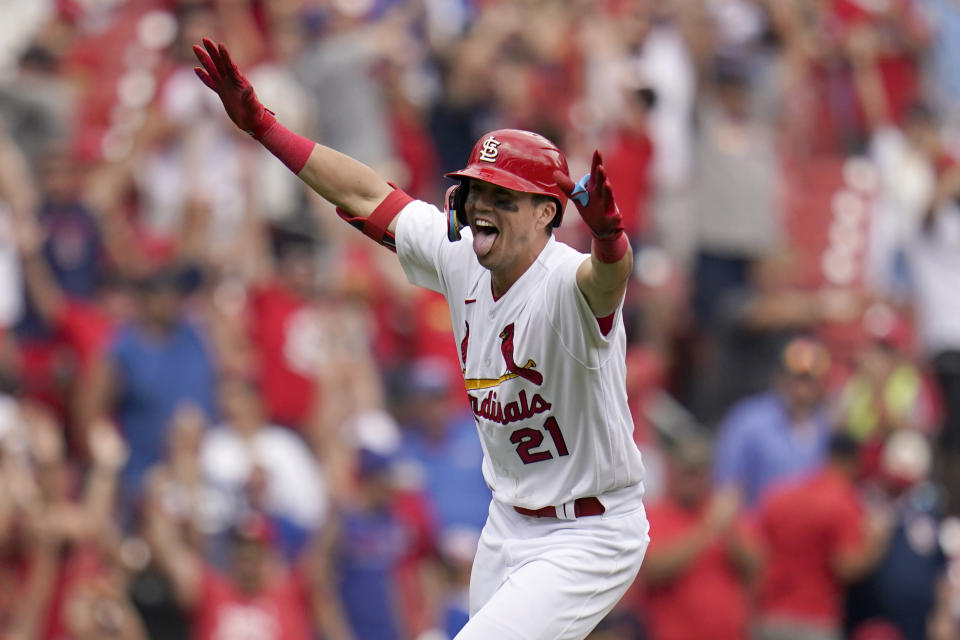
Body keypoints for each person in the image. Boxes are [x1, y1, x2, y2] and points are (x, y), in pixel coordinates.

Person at [193, 37, 648, 640]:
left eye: (503, 197)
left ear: (545, 212)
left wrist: (612, 240)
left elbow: (607, 281)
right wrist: (266, 130)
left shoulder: (565, 283)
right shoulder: (460, 255)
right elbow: (365, 195)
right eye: (477, 190)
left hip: (589, 529)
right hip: (509, 520)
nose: (482, 205)